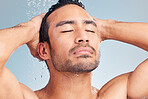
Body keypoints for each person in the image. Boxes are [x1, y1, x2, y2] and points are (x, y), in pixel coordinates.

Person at [0, 0, 147, 99]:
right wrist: (29, 29)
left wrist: (106, 27)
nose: (83, 37)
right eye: (67, 30)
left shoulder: (117, 94)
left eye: (90, 30)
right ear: (44, 50)